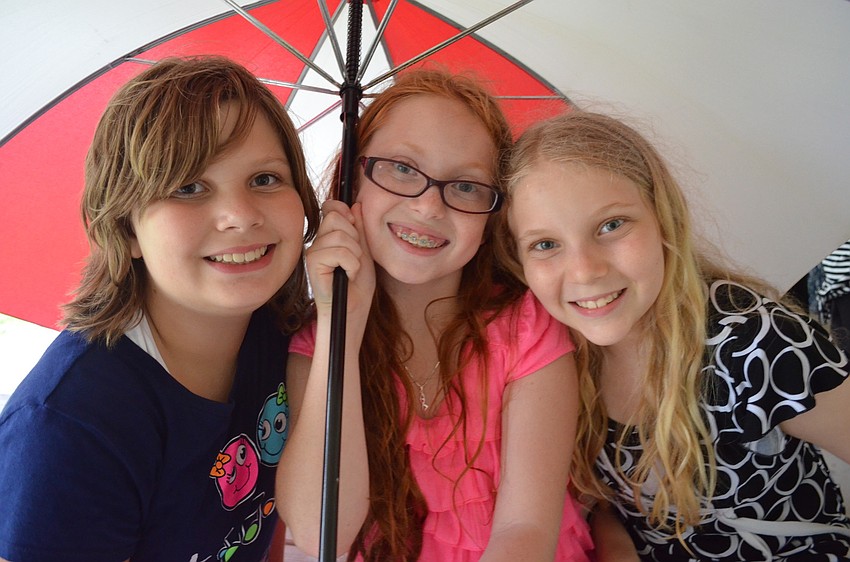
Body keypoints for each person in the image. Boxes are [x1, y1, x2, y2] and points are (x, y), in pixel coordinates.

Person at [0, 56, 320, 562]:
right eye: (189, 188)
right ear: (126, 230)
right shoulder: (70, 427)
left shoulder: (280, 333)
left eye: (264, 179)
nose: (240, 216)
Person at [499, 110, 850, 561]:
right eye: (545, 244)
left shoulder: (754, 342)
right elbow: (612, 501)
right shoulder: (557, 354)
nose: (585, 270)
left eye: (611, 225)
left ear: (663, 217)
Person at [276, 69, 594, 561]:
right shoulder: (317, 344)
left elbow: (525, 529)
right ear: (352, 179)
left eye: (466, 186)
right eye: (402, 168)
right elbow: (325, 531)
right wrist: (346, 320)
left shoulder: (526, 328)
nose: (427, 206)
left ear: (492, 220)